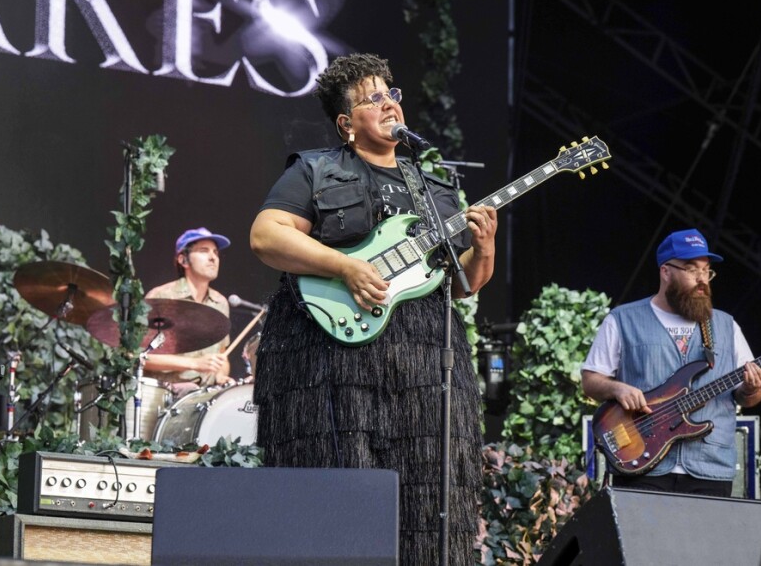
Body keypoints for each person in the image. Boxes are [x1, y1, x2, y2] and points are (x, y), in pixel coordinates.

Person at [249, 52, 497, 565]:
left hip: (428, 358)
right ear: (346, 124)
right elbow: (266, 236)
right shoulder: (315, 170)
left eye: (392, 93)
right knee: (337, 485)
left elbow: (463, 285)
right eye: (373, 97)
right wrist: (344, 268)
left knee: (430, 495)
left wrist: (486, 247)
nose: (389, 103)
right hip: (330, 356)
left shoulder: (435, 187)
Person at [581, 228, 761, 497]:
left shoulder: (727, 326)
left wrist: (752, 389)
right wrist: (618, 389)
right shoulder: (622, 319)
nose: (702, 279)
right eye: (692, 270)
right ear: (666, 272)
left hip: (710, 468)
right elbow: (591, 380)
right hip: (641, 465)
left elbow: (749, 397)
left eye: (707, 271)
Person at [144, 227, 233, 391]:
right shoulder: (162, 297)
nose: (213, 257)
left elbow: (222, 356)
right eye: (204, 251)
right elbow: (141, 357)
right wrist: (194, 364)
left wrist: (220, 375)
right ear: (183, 260)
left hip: (204, 398)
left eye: (215, 252)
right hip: (167, 395)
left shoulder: (220, 302)